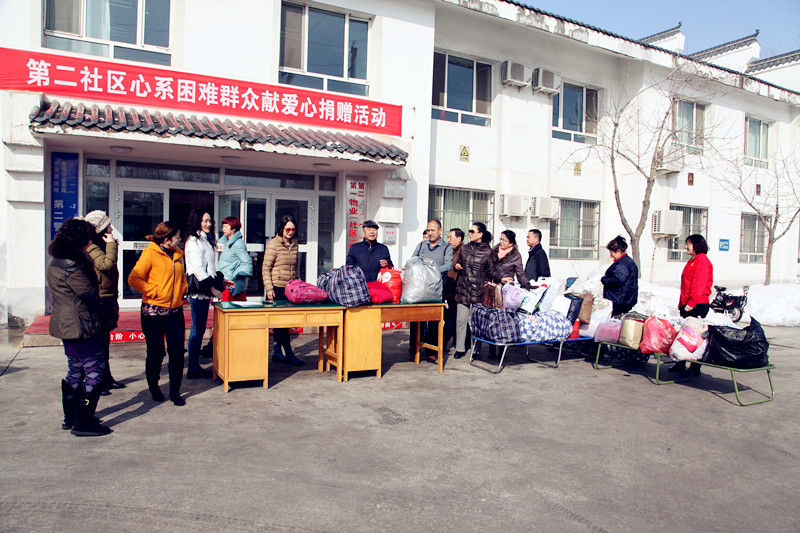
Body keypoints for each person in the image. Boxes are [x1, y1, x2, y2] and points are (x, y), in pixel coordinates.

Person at [47, 217, 112, 437]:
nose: (91, 241)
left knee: (75, 369)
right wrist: (106, 314)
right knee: (94, 371)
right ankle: (83, 422)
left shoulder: (56, 260)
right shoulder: (74, 266)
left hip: (66, 324)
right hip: (81, 325)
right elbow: (89, 297)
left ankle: (71, 417)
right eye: (88, 238)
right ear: (80, 239)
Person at [128, 221, 189, 406]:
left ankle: (175, 391)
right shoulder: (150, 253)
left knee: (177, 352)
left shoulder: (179, 254)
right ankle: (154, 387)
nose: (180, 239)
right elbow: (133, 278)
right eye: (177, 237)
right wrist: (154, 292)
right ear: (166, 239)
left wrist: (183, 288)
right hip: (153, 312)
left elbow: (183, 277)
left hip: (175, 311)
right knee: (156, 353)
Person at [84, 210, 125, 395]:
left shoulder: (100, 247)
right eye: (108, 226)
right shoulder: (93, 249)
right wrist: (111, 245)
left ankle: (106, 378)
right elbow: (106, 265)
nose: (111, 229)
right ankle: (97, 381)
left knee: (105, 342)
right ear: (100, 230)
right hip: (101, 300)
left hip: (108, 298)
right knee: (99, 344)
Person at [183, 209, 223, 379]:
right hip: (199, 291)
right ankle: (193, 368)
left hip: (205, 290)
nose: (208, 224)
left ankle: (194, 366)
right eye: (205, 221)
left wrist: (222, 281)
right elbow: (199, 270)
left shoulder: (205, 239)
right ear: (197, 221)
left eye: (210, 221)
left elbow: (209, 267)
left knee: (199, 329)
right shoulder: (194, 241)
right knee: (197, 329)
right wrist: (213, 290)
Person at [262, 215, 304, 366]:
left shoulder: (295, 245)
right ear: (282, 229)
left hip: (290, 288)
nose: (290, 232)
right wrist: (269, 288)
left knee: (284, 322)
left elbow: (296, 267)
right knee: (281, 321)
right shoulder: (273, 244)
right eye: (288, 229)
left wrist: (299, 284)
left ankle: (277, 352)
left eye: (293, 229)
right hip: (277, 287)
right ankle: (288, 352)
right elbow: (265, 268)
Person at [409, 219, 453, 363]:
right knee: (416, 321)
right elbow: (413, 260)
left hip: (436, 291)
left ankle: (431, 351)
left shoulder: (446, 248)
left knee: (433, 322)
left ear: (440, 231)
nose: (430, 233)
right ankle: (413, 350)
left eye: (433, 230)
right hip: (419, 290)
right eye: (428, 230)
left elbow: (447, 265)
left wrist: (430, 270)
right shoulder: (421, 245)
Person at [670, 234, 713, 377]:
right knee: (684, 335)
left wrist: (691, 303)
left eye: (689, 243)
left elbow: (698, 284)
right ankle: (680, 361)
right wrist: (681, 303)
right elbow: (686, 285)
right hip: (688, 304)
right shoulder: (692, 261)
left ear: (697, 245)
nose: (686, 246)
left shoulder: (702, 260)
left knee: (696, 337)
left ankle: (695, 367)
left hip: (697, 304)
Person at [453, 222, 493, 359]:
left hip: (478, 291)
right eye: (469, 231)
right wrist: (457, 266)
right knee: (461, 320)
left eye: (472, 231)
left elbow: (492, 271)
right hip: (463, 288)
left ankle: (476, 350)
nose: (469, 233)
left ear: (480, 234)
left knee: (477, 323)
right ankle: (460, 348)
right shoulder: (465, 248)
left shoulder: (488, 252)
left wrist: (502, 278)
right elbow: (458, 262)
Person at [600, 235, 639, 317]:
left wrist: (604, 279)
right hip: (625, 298)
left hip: (620, 299)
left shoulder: (622, 264)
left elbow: (618, 279)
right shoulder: (627, 261)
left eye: (612, 253)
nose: (611, 255)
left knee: (616, 320)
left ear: (618, 251)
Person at [217, 216, 253, 302]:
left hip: (232, 286)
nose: (223, 229)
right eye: (223, 226)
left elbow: (247, 264)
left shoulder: (238, 244)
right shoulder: (226, 242)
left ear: (233, 228)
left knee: (230, 308)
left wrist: (233, 277)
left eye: (226, 226)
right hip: (225, 283)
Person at [443, 228, 464, 351]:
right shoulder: (451, 251)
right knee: (453, 317)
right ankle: (466, 340)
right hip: (449, 289)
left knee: (452, 318)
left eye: (451, 237)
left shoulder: (463, 251)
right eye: (447, 237)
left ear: (459, 238)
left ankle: (442, 342)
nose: (448, 240)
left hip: (457, 290)